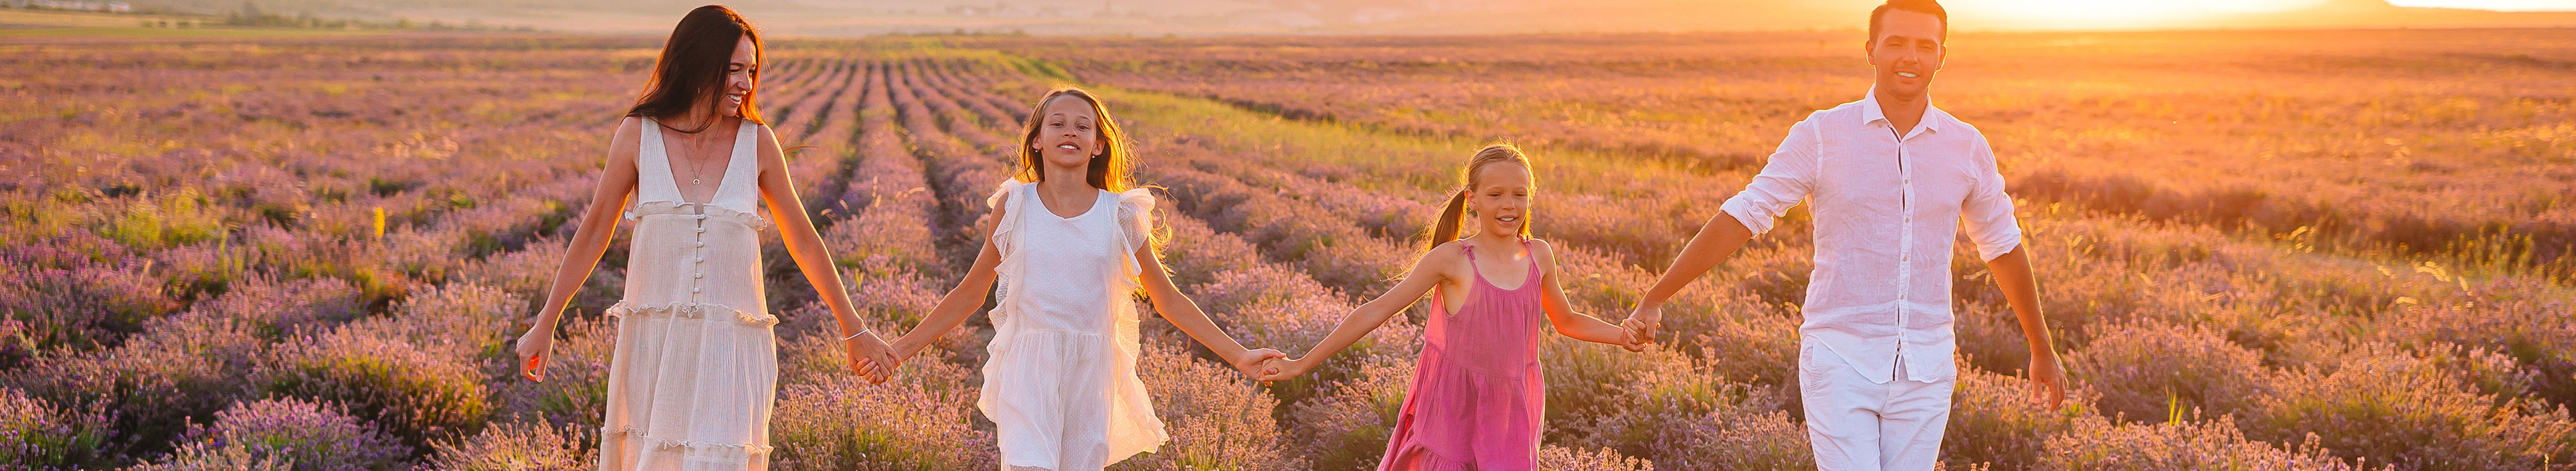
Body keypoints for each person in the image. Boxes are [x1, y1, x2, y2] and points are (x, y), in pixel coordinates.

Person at [1620, 1, 2066, 470]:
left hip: (1927, 368)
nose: (1910, 57)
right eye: (1896, 43)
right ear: (1871, 51)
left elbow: (2002, 246)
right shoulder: (1822, 135)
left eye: (1924, 46)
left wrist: (2041, 347)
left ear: (1942, 57)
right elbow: (1745, 214)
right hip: (1840, 360)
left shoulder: (1967, 146)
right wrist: (1656, 296)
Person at [509, 5, 896, 470]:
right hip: (655, 351)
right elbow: (594, 232)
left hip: (730, 353)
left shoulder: (758, 142)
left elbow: (805, 242)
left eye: (751, 71)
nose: (745, 84)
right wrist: (546, 322)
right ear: (696, 63)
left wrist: (855, 330)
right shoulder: (638, 134)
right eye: (733, 70)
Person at [886, 86, 1286, 471]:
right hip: (1029, 367)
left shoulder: (1120, 214)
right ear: (1037, 140)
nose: (1070, 132)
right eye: (1057, 124)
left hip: (1092, 374)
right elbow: (971, 293)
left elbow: (1168, 300)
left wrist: (1239, 356)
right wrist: (897, 352)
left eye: (1083, 126)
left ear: (1097, 145)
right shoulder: (1015, 205)